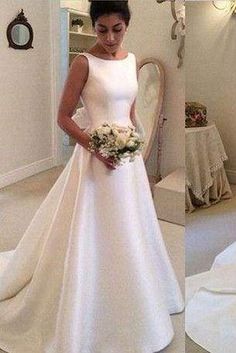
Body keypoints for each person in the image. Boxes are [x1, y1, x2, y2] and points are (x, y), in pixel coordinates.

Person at [0, 1, 184, 352]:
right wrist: (97, 146)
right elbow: (65, 117)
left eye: (117, 29)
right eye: (102, 30)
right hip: (95, 160)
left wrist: (132, 147)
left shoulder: (131, 61)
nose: (110, 37)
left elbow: (129, 111)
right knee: (91, 231)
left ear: (127, 25)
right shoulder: (83, 63)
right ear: (93, 25)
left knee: (131, 228)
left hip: (126, 163)